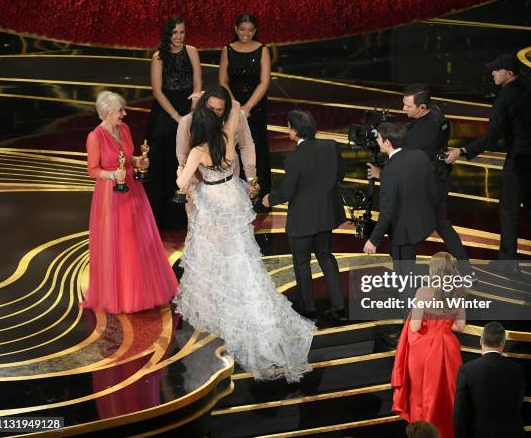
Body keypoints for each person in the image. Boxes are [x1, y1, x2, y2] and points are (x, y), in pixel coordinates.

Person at [174, 103, 315, 383]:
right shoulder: (226, 139)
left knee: (213, 255)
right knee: (239, 252)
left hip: (213, 202)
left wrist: (183, 169)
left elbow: (182, 182)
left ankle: (221, 297)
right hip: (231, 194)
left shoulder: (197, 151)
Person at [445, 54, 531, 268]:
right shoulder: (530, 91)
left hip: (520, 160)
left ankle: (508, 262)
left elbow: (491, 136)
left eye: (497, 69)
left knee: (509, 211)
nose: (492, 72)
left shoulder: (504, 99)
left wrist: (463, 150)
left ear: (509, 73)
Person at [82, 91, 178, 313]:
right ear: (106, 113)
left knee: (138, 240)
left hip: (133, 190)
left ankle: (142, 289)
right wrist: (112, 175)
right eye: (119, 111)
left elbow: (127, 157)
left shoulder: (123, 129)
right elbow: (92, 169)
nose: (124, 114)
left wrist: (137, 160)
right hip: (110, 195)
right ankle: (122, 296)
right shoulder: (94, 137)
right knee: (119, 243)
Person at [367, 84, 473, 276]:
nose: (403, 109)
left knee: (405, 229)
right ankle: (467, 271)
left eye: (408, 106)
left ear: (422, 107)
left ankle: (405, 283)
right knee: (442, 224)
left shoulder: (418, 137)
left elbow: (402, 167)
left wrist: (381, 174)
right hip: (439, 178)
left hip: (426, 184)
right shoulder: (438, 115)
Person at [262, 110, 346, 324]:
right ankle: (339, 307)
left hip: (302, 222)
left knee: (302, 263)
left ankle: (308, 311)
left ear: (294, 130)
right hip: (326, 216)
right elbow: (340, 176)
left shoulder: (294, 159)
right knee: (326, 257)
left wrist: (268, 200)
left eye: (288, 126)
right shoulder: (331, 146)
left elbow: (286, 193)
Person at [391, 252, 467, 438]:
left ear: (433, 270)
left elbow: (415, 326)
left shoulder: (423, 292)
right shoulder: (459, 291)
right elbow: (461, 327)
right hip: (449, 349)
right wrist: (444, 322)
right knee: (447, 395)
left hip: (423, 351)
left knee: (420, 395)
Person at [144, 16, 202, 231]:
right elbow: (157, 91)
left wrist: (193, 112)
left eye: (182, 32)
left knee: (185, 163)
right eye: (175, 33)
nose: (179, 37)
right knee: (161, 163)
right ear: (167, 34)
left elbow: (197, 84)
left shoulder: (192, 51)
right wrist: (177, 117)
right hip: (165, 113)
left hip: (189, 109)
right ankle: (158, 218)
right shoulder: (158, 57)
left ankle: (181, 218)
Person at [363, 122, 436, 282]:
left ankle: (407, 302)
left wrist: (373, 240)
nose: (377, 141)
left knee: (404, 274)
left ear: (387, 142)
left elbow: (387, 213)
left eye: (379, 138)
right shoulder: (420, 155)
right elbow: (430, 188)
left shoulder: (390, 171)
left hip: (404, 231)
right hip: (422, 221)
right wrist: (382, 174)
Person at [175, 86, 258, 213]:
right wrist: (189, 186)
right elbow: (182, 156)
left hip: (230, 183)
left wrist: (251, 179)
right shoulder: (188, 122)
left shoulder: (235, 118)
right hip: (196, 184)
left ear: (227, 108)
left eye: (219, 109)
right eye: (210, 108)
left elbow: (246, 146)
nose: (213, 113)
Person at [219, 13, 271, 206]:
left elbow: (264, 81)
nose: (246, 34)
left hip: (255, 107)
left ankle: (259, 197)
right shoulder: (227, 50)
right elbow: (223, 81)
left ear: (255, 31)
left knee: (256, 147)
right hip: (232, 106)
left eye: (250, 30)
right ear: (235, 29)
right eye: (242, 29)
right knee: (232, 147)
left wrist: (248, 106)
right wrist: (234, 105)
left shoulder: (262, 50)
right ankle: (235, 197)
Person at [454, 322, 525, 438]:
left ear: (481, 341)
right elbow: (518, 404)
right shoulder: (517, 370)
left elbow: (460, 413)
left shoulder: (466, 370)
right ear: (503, 344)